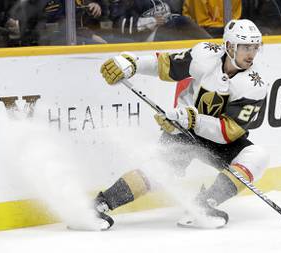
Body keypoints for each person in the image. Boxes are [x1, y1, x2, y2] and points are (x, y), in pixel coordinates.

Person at [96, 19, 269, 230]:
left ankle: (203, 205)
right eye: (245, 47)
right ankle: (100, 204)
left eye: (254, 47)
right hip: (180, 129)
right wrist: (133, 64)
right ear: (230, 46)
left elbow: (229, 132)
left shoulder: (254, 84)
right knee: (159, 172)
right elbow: (167, 65)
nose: (251, 54)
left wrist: (193, 119)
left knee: (256, 156)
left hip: (217, 138)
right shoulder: (206, 55)